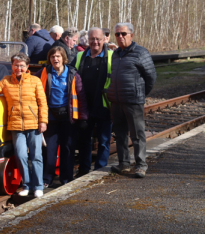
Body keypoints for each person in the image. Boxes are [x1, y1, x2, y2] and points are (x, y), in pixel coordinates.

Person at [0, 53, 48, 198]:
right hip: (16, 126)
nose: (18, 68)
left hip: (34, 124)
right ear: (12, 66)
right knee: (20, 155)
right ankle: (26, 185)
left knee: (36, 156)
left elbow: (42, 103)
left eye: (22, 65)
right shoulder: (6, 81)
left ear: (27, 67)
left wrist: (43, 121)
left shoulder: (35, 81)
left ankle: (38, 186)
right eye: (16, 65)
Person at [107, 22, 156, 178]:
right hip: (116, 101)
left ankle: (141, 165)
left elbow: (151, 77)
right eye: (117, 34)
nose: (120, 37)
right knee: (120, 134)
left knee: (137, 134)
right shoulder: (115, 54)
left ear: (131, 35)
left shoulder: (140, 52)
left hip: (133, 101)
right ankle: (124, 164)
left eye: (123, 34)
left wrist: (140, 93)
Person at [35, 47, 88, 186]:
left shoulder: (73, 74)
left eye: (58, 56)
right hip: (50, 117)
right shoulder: (44, 73)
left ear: (63, 58)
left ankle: (66, 179)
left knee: (68, 149)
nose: (55, 59)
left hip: (68, 117)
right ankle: (47, 179)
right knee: (49, 149)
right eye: (52, 57)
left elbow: (81, 97)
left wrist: (83, 118)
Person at [72, 28, 113, 177]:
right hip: (84, 106)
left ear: (104, 40)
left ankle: (100, 170)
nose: (95, 42)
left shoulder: (111, 56)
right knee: (84, 140)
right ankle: (83, 170)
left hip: (104, 105)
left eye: (98, 39)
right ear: (87, 40)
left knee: (103, 141)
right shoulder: (79, 56)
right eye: (92, 39)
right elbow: (69, 74)